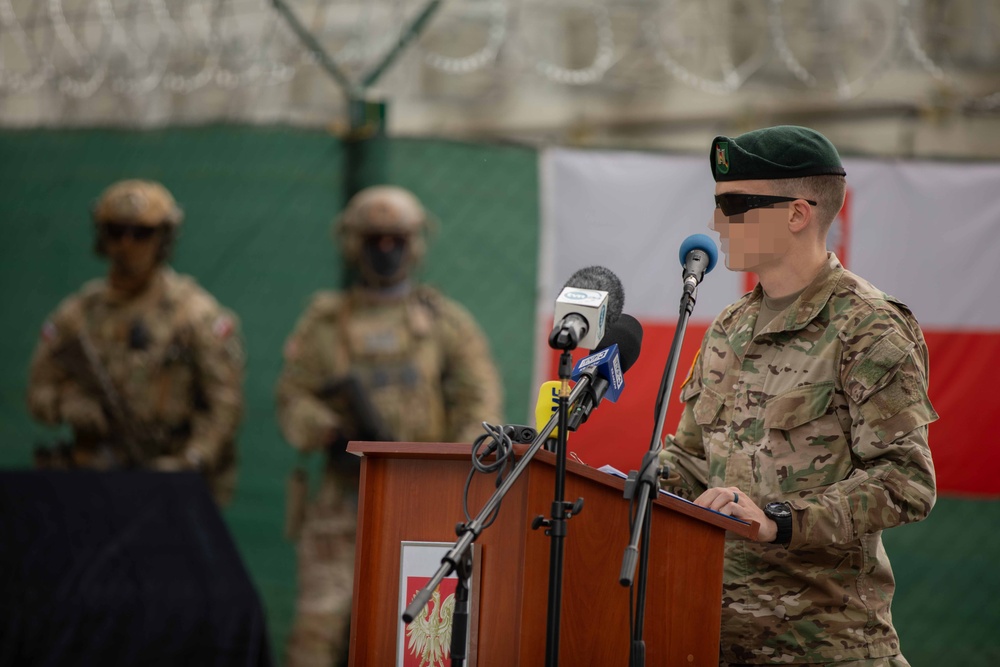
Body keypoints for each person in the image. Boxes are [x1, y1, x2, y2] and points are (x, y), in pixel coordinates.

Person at [658, 126, 937, 666]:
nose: (718, 223)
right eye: (718, 205)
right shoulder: (729, 327)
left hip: (828, 648)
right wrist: (617, 488)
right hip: (710, 641)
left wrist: (778, 519)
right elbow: (689, 462)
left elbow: (906, 482)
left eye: (736, 205)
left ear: (797, 213)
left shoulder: (869, 327)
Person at [276, 184, 505, 667]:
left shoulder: (445, 324)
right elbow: (292, 400)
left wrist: (442, 466)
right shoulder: (323, 324)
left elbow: (480, 404)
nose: (385, 250)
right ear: (354, 243)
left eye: (396, 239)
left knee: (420, 635)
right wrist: (330, 431)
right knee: (317, 635)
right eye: (374, 239)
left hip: (423, 501)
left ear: (414, 243)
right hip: (344, 503)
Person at [26, 179, 245, 505]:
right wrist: (67, 403)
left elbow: (225, 405)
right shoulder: (78, 314)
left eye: (142, 233)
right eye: (116, 231)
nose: (127, 244)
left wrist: (192, 460)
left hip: (168, 480)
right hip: (91, 479)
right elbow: (38, 390)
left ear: (163, 238)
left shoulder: (194, 315)